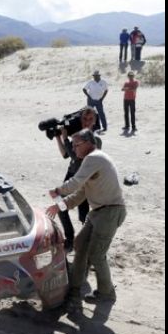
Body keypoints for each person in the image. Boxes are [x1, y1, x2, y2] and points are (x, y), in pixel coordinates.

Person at [45, 129, 126, 315]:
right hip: (98, 213)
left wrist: (58, 190)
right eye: (72, 145)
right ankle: (74, 288)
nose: (73, 149)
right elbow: (80, 194)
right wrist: (60, 206)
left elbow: (74, 183)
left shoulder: (94, 157)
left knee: (97, 255)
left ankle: (107, 293)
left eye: (76, 144)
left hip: (110, 212)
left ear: (89, 143)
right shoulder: (91, 163)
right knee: (80, 244)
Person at [54, 108, 102, 252]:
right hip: (71, 175)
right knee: (60, 207)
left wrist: (65, 139)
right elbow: (65, 155)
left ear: (95, 121)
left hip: (84, 180)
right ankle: (70, 239)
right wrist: (58, 137)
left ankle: (88, 245)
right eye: (84, 119)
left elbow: (77, 157)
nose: (87, 122)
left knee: (84, 215)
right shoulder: (77, 137)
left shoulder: (95, 140)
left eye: (90, 119)